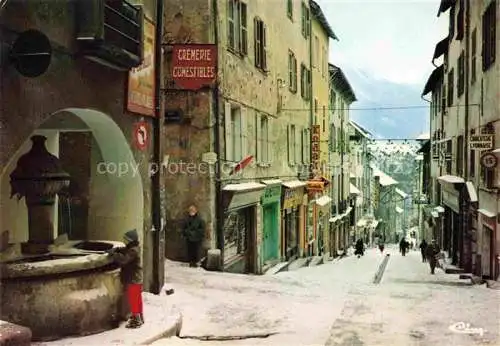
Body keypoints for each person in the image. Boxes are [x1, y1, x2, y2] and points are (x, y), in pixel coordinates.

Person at [108, 229, 143, 328]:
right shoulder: (132, 248)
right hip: (134, 277)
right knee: (136, 299)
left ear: (130, 240)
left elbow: (124, 260)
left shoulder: (133, 250)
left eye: (126, 239)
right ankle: (140, 318)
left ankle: (137, 321)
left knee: (134, 299)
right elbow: (124, 250)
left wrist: (114, 255)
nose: (124, 241)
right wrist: (116, 250)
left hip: (133, 278)